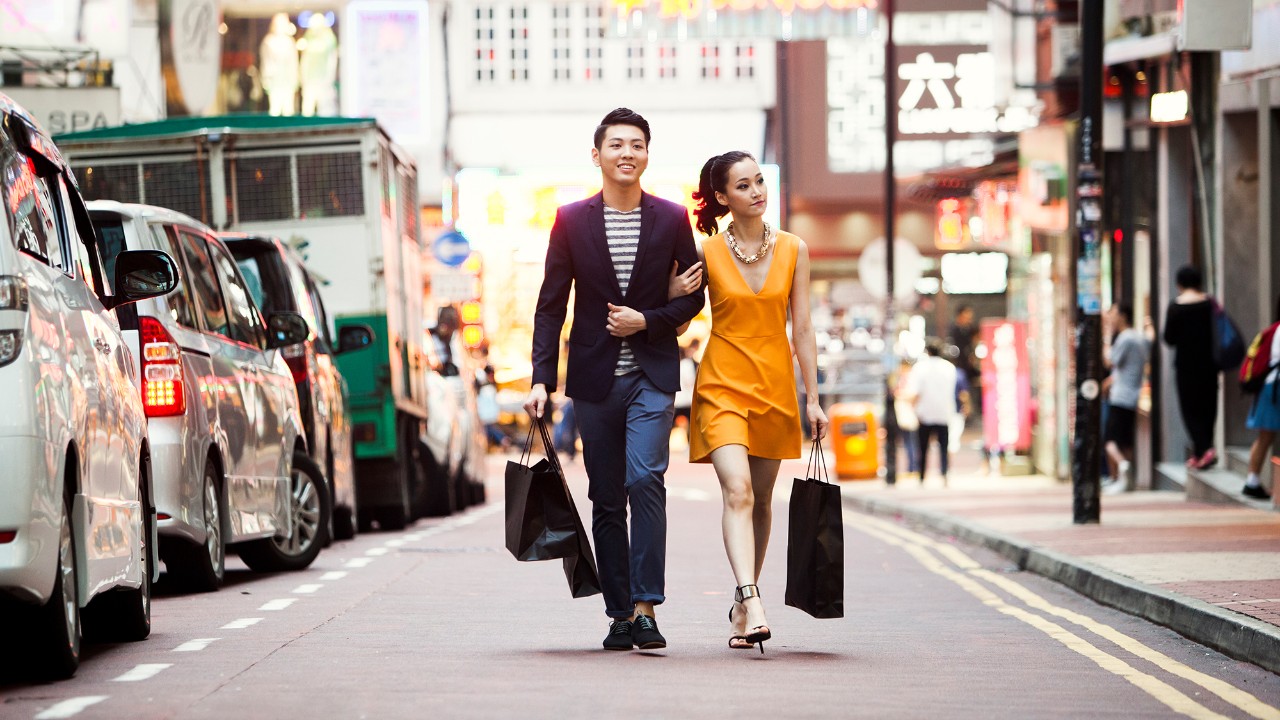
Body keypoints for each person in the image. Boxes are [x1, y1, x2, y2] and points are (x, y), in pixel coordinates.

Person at [524, 108, 705, 652]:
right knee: (605, 497)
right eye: (617, 145)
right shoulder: (571, 220)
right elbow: (550, 306)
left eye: (638, 145)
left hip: (651, 374)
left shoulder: (672, 218)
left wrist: (648, 319)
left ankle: (648, 608)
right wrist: (540, 379)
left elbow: (694, 295)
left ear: (648, 154)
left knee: (645, 480)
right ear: (598, 153)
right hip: (593, 381)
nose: (627, 153)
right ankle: (620, 613)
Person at [672, 150, 827, 653]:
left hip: (775, 387)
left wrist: (815, 399)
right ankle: (751, 596)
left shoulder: (794, 249)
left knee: (761, 501)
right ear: (722, 197)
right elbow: (677, 324)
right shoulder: (707, 252)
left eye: (759, 181)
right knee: (736, 489)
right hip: (721, 386)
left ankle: (743, 605)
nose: (757, 191)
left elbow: (801, 326)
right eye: (743, 185)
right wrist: (674, 293)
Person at [1162, 265, 1219, 469]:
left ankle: (1204, 449)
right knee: (1208, 405)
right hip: (1209, 363)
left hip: (1186, 365)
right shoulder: (1209, 303)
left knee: (1190, 408)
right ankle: (1202, 450)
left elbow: (1169, 338)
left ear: (1179, 284)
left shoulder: (1176, 306)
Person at [1102, 302, 1150, 493]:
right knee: (1125, 441)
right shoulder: (1138, 337)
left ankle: (1123, 468)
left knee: (1110, 441)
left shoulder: (1125, 338)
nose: (1111, 317)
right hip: (1132, 395)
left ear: (1123, 315)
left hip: (1121, 396)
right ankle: (1124, 481)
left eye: (1113, 313)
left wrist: (1106, 338)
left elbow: (1110, 361)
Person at [904, 340, 958, 487]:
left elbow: (916, 392)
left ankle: (921, 476)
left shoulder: (920, 368)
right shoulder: (949, 368)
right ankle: (944, 473)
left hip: (924, 413)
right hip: (944, 412)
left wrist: (912, 408)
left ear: (928, 352)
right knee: (944, 447)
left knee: (922, 448)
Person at [1242, 295, 1280, 501]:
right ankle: (1252, 482)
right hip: (1275, 389)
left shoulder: (1274, 330)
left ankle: (1252, 481)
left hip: (1269, 388)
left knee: (1265, 436)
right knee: (1265, 436)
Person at [672, 338, 700, 447]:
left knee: (671, 424)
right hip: (687, 400)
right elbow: (690, 381)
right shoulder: (687, 364)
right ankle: (690, 445)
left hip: (678, 399)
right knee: (691, 424)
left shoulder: (679, 364)